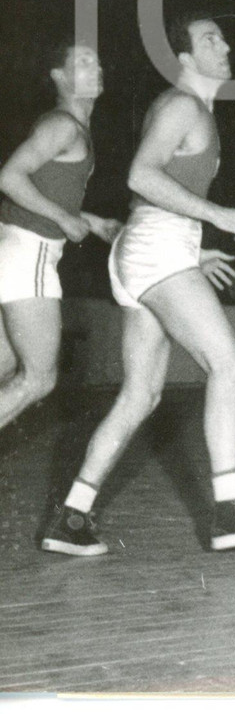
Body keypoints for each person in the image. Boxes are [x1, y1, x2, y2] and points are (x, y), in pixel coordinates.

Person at [41, 15, 235, 557]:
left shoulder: (193, 109)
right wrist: (216, 215)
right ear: (183, 58)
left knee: (141, 395)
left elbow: (154, 195)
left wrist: (192, 247)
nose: (225, 45)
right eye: (210, 39)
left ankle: (72, 516)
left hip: (154, 247)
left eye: (223, 37)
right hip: (155, 249)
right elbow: (140, 175)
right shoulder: (183, 105)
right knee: (230, 365)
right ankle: (229, 510)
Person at [0, 43, 120, 434]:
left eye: (98, 62)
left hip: (16, 249)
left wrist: (91, 220)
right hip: (29, 254)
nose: (96, 68)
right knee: (38, 378)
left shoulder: (73, 128)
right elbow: (10, 177)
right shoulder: (63, 125)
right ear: (59, 76)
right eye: (83, 62)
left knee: (6, 367)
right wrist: (64, 219)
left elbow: (48, 192)